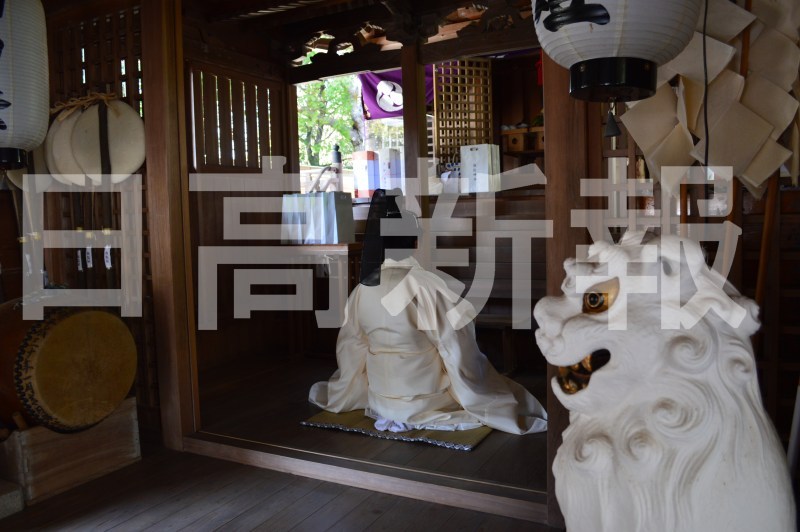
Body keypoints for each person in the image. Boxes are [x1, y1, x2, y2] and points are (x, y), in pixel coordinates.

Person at [308, 190, 547, 434]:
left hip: (380, 398)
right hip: (423, 398)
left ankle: (391, 402)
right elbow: (454, 346)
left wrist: (351, 387)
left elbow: (350, 348)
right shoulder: (426, 286)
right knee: (489, 382)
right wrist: (472, 382)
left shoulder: (362, 289)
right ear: (415, 243)